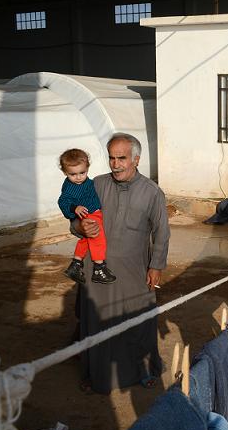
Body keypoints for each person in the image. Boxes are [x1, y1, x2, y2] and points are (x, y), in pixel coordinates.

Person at [74, 133, 170, 394]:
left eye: (122, 158)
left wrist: (156, 266)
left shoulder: (151, 192)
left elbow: (161, 232)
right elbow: (75, 217)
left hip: (133, 270)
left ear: (136, 159)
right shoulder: (95, 186)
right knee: (95, 321)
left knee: (138, 320)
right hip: (97, 270)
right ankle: (93, 373)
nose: (115, 164)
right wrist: (80, 226)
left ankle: (144, 371)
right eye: (112, 158)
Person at [58, 148, 116, 285]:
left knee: (86, 238)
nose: (78, 177)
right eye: (73, 174)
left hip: (92, 211)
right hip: (88, 214)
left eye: (82, 173)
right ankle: (99, 268)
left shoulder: (85, 182)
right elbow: (63, 201)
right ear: (65, 172)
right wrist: (74, 208)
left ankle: (76, 264)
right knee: (97, 235)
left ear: (87, 168)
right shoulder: (71, 187)